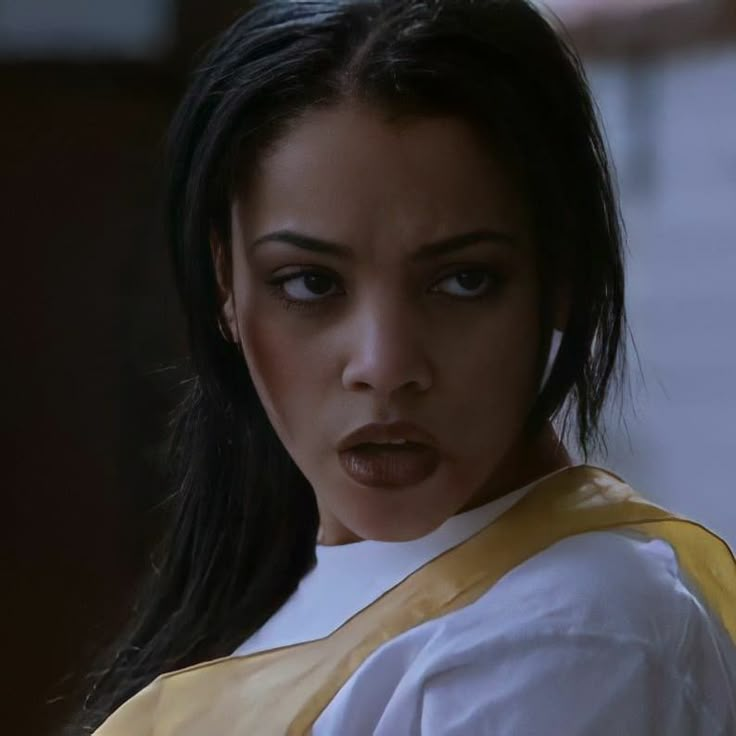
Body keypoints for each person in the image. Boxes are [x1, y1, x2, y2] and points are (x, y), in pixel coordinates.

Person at [73, 0, 736, 733]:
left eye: (463, 281)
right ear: (226, 284)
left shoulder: (565, 639)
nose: (384, 366)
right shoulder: (280, 596)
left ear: (562, 280)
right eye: (310, 283)